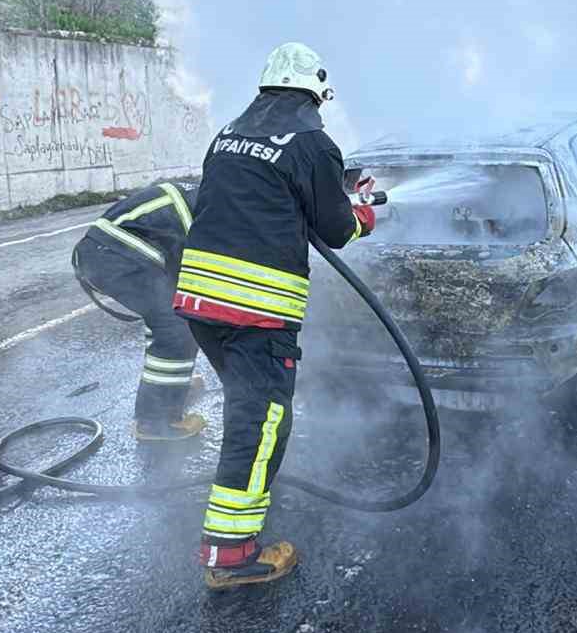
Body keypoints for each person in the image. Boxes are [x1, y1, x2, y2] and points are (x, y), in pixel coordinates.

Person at [173, 41, 376, 590]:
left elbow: (256, 200)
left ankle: (247, 490)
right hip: (255, 311)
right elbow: (336, 230)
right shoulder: (313, 141)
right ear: (315, 93)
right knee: (259, 423)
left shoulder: (231, 134)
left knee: (248, 413)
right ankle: (231, 557)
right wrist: (360, 213)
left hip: (199, 303)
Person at [72, 180, 208, 441]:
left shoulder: (205, 192)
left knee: (167, 316)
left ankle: (170, 388)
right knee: (175, 326)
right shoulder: (220, 208)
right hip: (113, 256)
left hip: (110, 251)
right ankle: (155, 422)